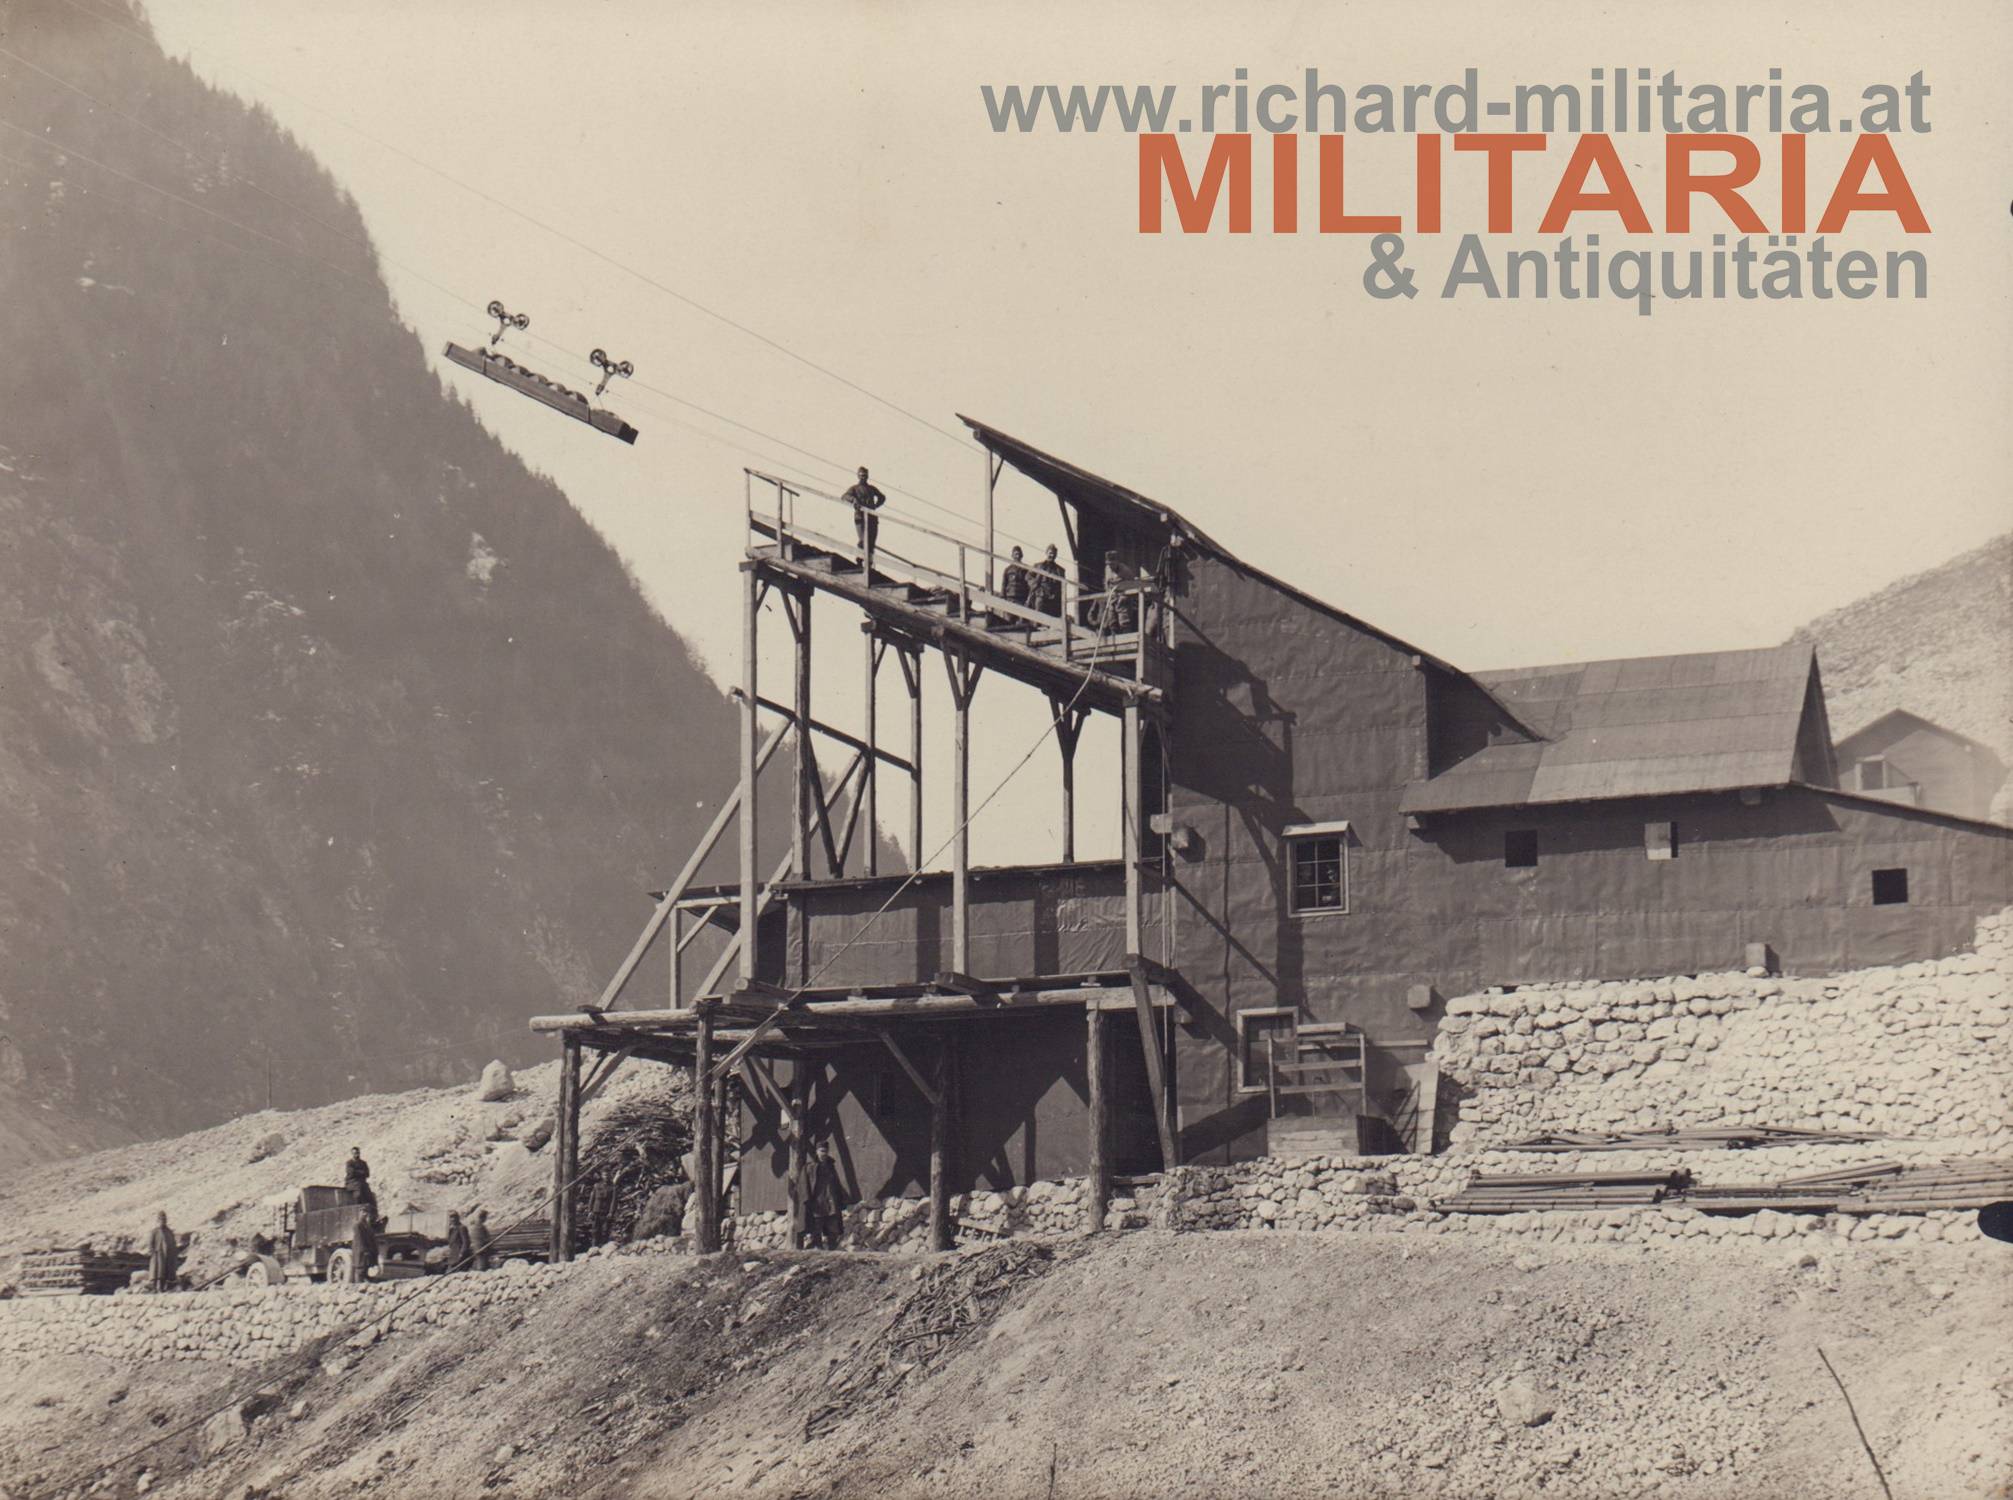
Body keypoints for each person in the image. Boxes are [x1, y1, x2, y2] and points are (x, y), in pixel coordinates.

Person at [840, 465, 886, 567]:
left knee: (871, 541)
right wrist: (854, 500)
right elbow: (844, 496)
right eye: (861, 475)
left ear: (867, 476)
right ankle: (859, 560)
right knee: (863, 540)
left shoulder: (871, 488)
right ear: (857, 476)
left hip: (872, 517)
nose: (863, 477)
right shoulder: (854, 488)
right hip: (860, 517)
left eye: (865, 475)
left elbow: (882, 497)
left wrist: (875, 505)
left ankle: (869, 564)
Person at [808, 1142, 849, 1250]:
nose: (824, 1154)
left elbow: (836, 1182)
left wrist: (840, 1198)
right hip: (818, 1201)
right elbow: (807, 1184)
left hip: (831, 1199)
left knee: (833, 1225)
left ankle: (832, 1247)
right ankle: (818, 1247)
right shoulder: (811, 1167)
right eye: (821, 1151)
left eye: (825, 1151)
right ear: (817, 1152)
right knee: (817, 1225)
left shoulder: (831, 1166)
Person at [147, 1211, 179, 1294]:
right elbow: (150, 1244)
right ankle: (155, 1288)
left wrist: (173, 1253)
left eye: (164, 1220)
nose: (163, 1221)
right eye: (161, 1219)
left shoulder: (169, 1232)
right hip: (158, 1255)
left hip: (168, 1256)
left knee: (166, 1272)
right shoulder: (154, 1231)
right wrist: (153, 1252)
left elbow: (173, 1243)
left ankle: (164, 1287)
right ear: (158, 1220)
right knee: (157, 1272)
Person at [1030, 543, 1065, 618]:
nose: (1052, 555)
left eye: (1054, 554)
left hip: (1053, 599)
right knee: (1038, 618)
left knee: (1053, 621)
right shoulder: (1038, 566)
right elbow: (1028, 576)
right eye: (1050, 553)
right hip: (1041, 597)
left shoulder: (1060, 570)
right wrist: (1036, 588)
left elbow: (1062, 587)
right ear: (1046, 553)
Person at [343, 1146, 376, 1217]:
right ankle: (360, 1210)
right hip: (352, 1182)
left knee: (370, 1196)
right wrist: (361, 1172)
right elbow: (351, 1173)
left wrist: (358, 1172)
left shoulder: (363, 1163)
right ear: (352, 1154)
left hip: (362, 1182)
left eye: (357, 1153)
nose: (356, 1154)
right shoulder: (349, 1163)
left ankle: (374, 1214)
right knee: (358, 1192)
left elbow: (367, 1174)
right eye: (354, 1153)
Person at [349, 1211, 379, 1284]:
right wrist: (364, 1250)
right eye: (363, 1213)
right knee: (360, 1270)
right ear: (359, 1214)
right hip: (361, 1252)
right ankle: (358, 1286)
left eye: (366, 1213)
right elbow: (359, 1240)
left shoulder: (368, 1227)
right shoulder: (357, 1225)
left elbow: (373, 1240)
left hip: (368, 1252)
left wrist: (375, 1251)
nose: (365, 1215)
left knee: (368, 1270)